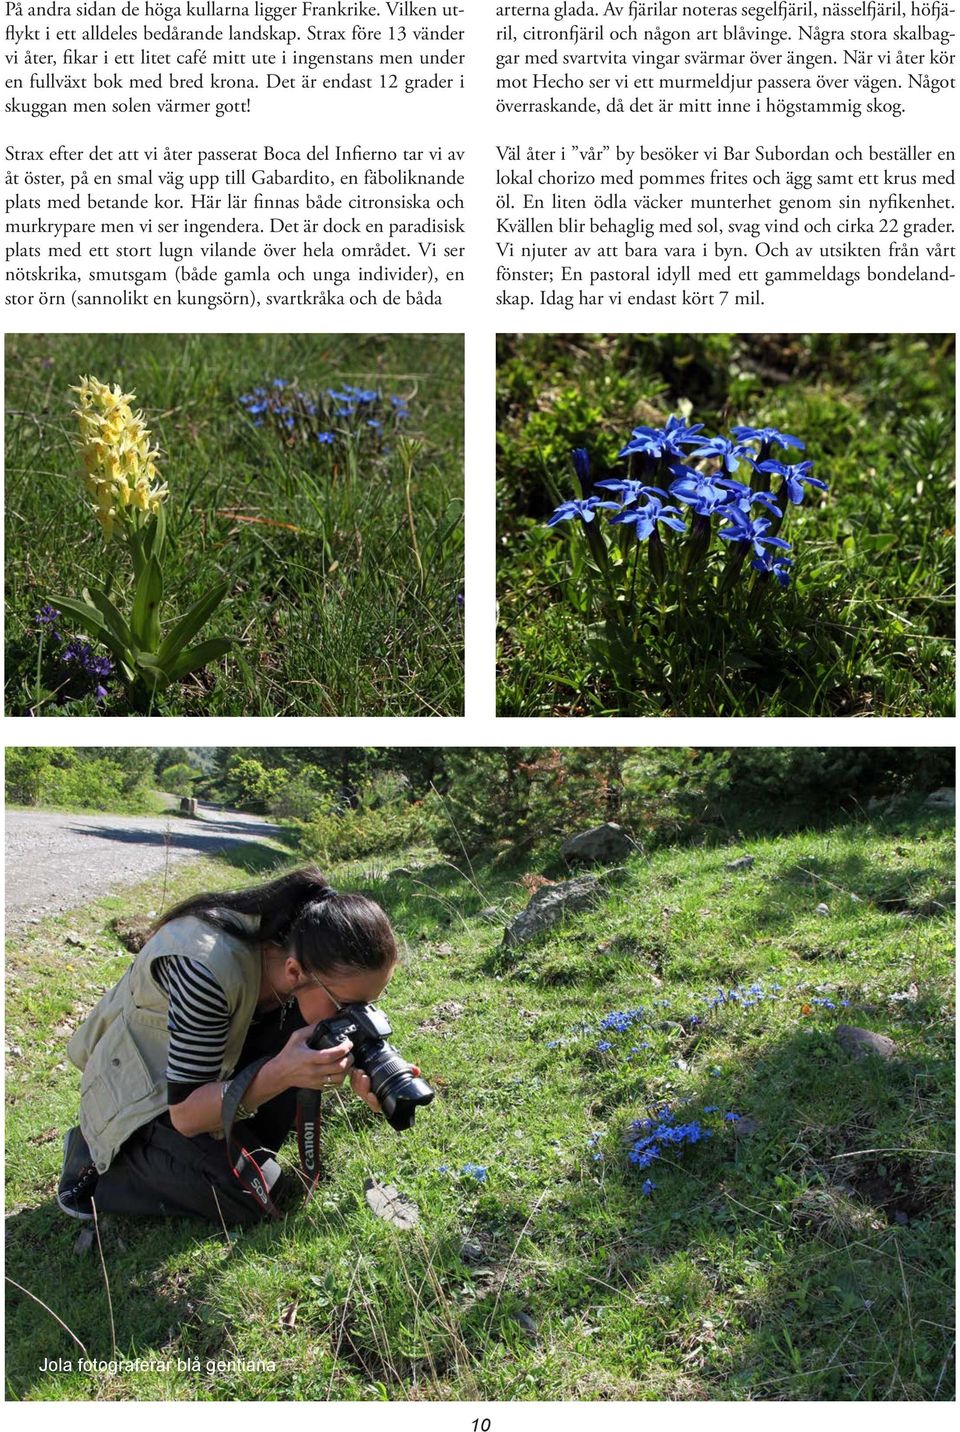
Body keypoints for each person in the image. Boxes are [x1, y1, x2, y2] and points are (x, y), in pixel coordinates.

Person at [57, 868, 400, 1226]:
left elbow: (325, 1012)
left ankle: (216, 1144)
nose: (351, 1017)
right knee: (256, 1195)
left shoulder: (304, 944)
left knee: (306, 1035)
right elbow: (187, 1115)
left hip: (212, 1068)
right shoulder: (205, 967)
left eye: (364, 1007)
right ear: (295, 972)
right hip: (145, 1097)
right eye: (347, 1007)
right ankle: (98, 1165)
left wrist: (366, 1066)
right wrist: (281, 1074)